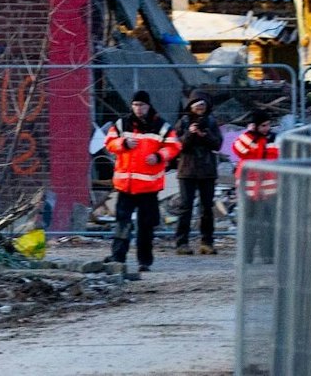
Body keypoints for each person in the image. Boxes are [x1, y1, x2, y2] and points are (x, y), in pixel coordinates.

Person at [104, 90, 180, 278]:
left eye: (142, 105)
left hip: (148, 187)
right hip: (126, 186)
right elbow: (109, 143)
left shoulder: (160, 126)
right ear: (132, 106)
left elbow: (174, 146)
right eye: (136, 105)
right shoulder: (122, 124)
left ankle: (144, 261)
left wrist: (159, 156)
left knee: (146, 226)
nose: (139, 109)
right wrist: (122, 143)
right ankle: (118, 257)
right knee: (122, 222)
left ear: (148, 106)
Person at [173, 92, 223, 254]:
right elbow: (178, 146)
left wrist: (205, 135)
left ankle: (207, 242)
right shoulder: (183, 122)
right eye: (196, 105)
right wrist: (190, 133)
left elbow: (217, 144)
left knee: (207, 208)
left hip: (207, 170)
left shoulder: (211, 122)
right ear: (191, 106)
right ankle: (182, 243)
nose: (200, 108)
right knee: (185, 207)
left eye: (202, 105)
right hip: (187, 170)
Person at [233, 109, 280, 264]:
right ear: (255, 126)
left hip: (268, 190)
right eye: (263, 126)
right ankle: (247, 256)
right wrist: (254, 136)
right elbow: (240, 150)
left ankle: (268, 256)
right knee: (249, 225)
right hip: (249, 190)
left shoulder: (274, 138)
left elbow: (277, 156)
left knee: (268, 225)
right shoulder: (246, 138)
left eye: (268, 125)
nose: (267, 129)